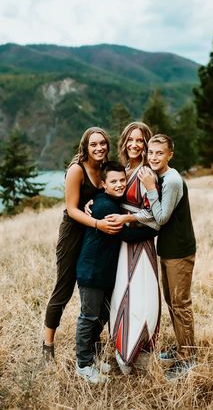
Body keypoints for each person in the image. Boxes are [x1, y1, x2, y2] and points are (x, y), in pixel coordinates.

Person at [42, 127, 122, 361]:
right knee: (64, 288)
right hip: (74, 233)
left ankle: (91, 344)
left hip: (93, 237)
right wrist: (97, 223)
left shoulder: (103, 170)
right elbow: (71, 209)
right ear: (85, 147)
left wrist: (94, 202)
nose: (99, 148)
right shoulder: (77, 169)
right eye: (93, 144)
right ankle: (48, 345)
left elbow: (104, 194)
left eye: (102, 144)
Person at [75, 161, 158, 384]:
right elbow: (127, 237)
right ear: (103, 184)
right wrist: (155, 228)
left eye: (122, 180)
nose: (120, 184)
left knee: (101, 316)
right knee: (89, 317)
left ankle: (91, 358)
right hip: (91, 273)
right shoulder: (105, 206)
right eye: (114, 181)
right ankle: (82, 364)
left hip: (103, 272)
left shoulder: (110, 201)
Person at [137, 133, 196, 381]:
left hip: (180, 251)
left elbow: (160, 218)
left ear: (170, 154)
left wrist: (150, 188)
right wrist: (131, 217)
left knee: (180, 303)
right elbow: (155, 213)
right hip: (167, 249)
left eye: (159, 153)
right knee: (172, 301)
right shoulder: (158, 176)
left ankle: (189, 357)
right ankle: (182, 347)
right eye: (150, 152)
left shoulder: (170, 180)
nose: (153, 156)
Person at [106, 122, 161, 375]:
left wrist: (127, 221)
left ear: (146, 144)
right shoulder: (125, 169)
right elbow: (111, 192)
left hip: (140, 238)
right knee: (121, 293)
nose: (134, 144)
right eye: (130, 139)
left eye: (140, 140)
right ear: (124, 141)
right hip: (121, 242)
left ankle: (139, 349)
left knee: (141, 294)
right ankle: (121, 348)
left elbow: (154, 213)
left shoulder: (147, 173)